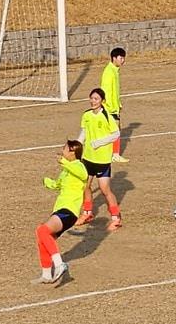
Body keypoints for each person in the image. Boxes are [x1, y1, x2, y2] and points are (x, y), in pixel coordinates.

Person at [35, 140, 86, 287]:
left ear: (72, 152)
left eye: (65, 148)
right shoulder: (66, 170)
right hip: (60, 210)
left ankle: (59, 264)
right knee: (42, 236)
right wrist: (48, 182)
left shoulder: (78, 166)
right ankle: (46, 274)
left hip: (69, 211)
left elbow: (83, 175)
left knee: (43, 230)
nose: (62, 150)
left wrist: (63, 162)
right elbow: (58, 185)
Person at [76, 88, 122, 231]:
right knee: (85, 186)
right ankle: (87, 213)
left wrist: (100, 142)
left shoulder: (107, 116)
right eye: (91, 98)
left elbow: (116, 134)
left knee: (104, 189)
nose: (93, 101)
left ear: (102, 101)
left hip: (102, 160)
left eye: (96, 99)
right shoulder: (86, 115)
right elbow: (83, 133)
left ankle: (116, 217)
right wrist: (76, 148)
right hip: (88, 158)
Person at [100, 47, 129, 163]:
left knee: (114, 130)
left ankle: (112, 154)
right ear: (114, 58)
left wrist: (118, 104)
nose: (123, 61)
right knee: (115, 131)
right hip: (110, 108)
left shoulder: (114, 71)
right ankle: (114, 155)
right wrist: (110, 107)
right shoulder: (109, 72)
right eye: (121, 58)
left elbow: (114, 91)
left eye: (123, 58)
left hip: (113, 107)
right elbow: (106, 91)